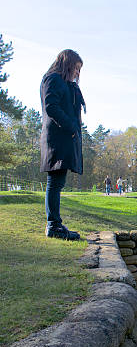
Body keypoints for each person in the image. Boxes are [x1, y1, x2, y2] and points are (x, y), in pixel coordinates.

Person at [40, 49, 86, 240]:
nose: (77, 73)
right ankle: (53, 226)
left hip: (63, 137)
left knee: (58, 182)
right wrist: (71, 126)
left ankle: (55, 224)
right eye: (76, 68)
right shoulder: (53, 79)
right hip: (57, 138)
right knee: (55, 182)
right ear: (67, 64)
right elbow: (51, 106)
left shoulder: (63, 82)